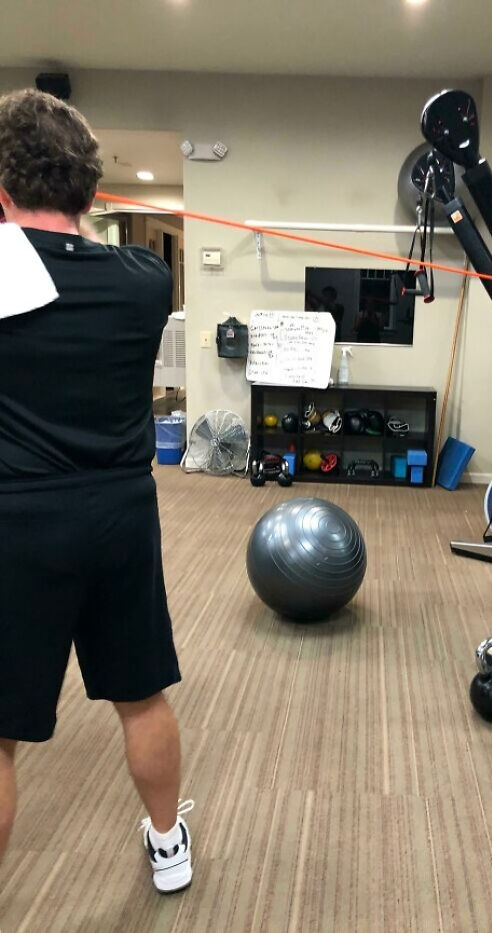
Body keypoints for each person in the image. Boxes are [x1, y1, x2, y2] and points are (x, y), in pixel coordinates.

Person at [0, 89, 192, 893]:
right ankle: (167, 842)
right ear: (88, 192)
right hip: (119, 515)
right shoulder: (146, 280)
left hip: (19, 523)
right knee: (140, 696)